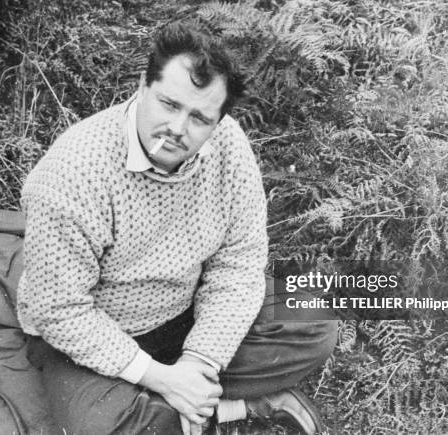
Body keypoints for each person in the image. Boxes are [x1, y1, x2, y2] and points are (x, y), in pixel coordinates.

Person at [17, 21, 337, 435]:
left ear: (218, 121)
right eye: (169, 104)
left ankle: (175, 407)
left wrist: (200, 360)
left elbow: (239, 263)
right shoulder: (73, 171)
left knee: (315, 325)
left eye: (199, 117)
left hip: (186, 310)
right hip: (99, 329)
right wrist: (159, 376)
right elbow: (58, 309)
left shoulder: (228, 145)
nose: (178, 129)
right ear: (142, 86)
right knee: (99, 426)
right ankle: (231, 408)